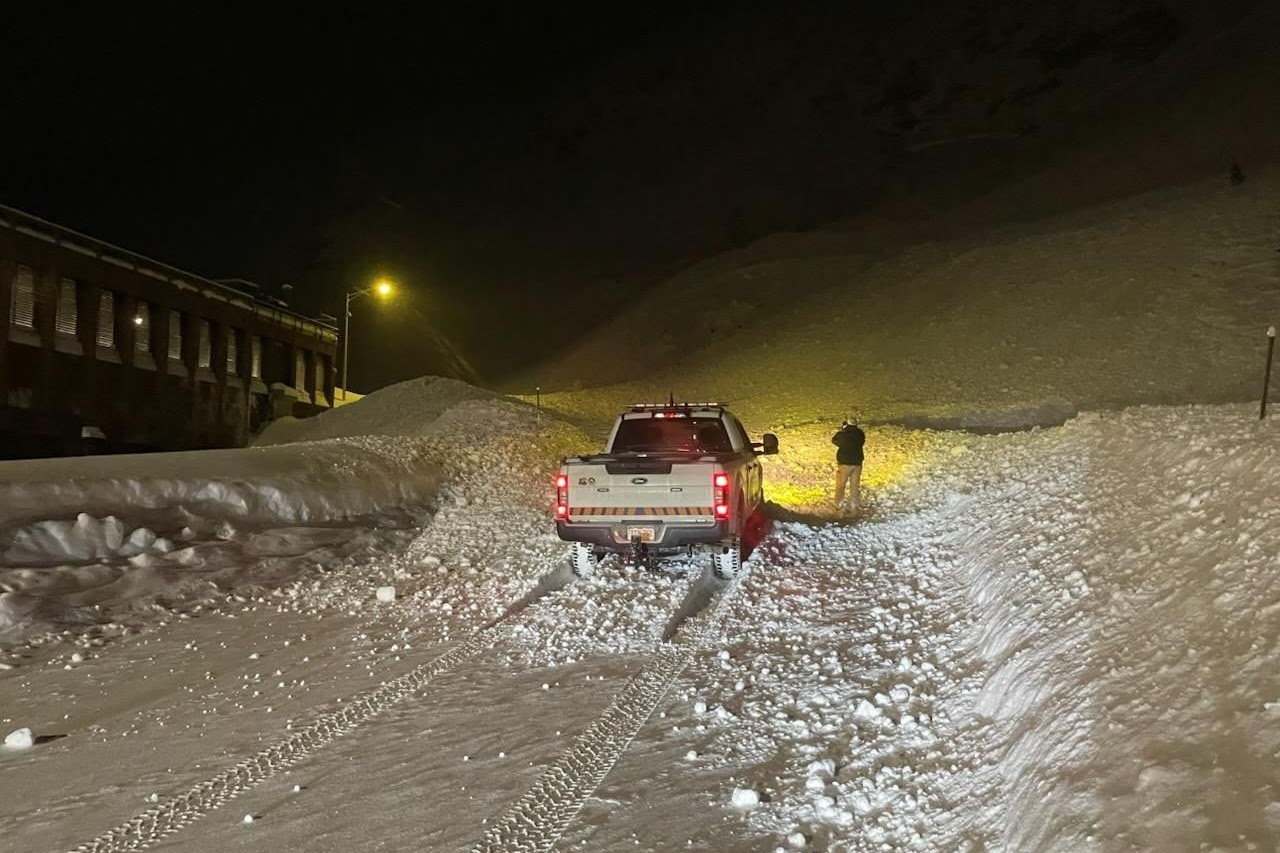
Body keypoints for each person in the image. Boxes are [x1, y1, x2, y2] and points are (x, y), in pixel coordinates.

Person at [831, 418, 866, 513]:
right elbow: (862, 441)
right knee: (854, 485)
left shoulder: (842, 435)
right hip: (857, 463)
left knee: (841, 485)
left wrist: (842, 430)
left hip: (845, 463)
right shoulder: (860, 434)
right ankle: (854, 505)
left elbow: (834, 441)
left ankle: (838, 504)